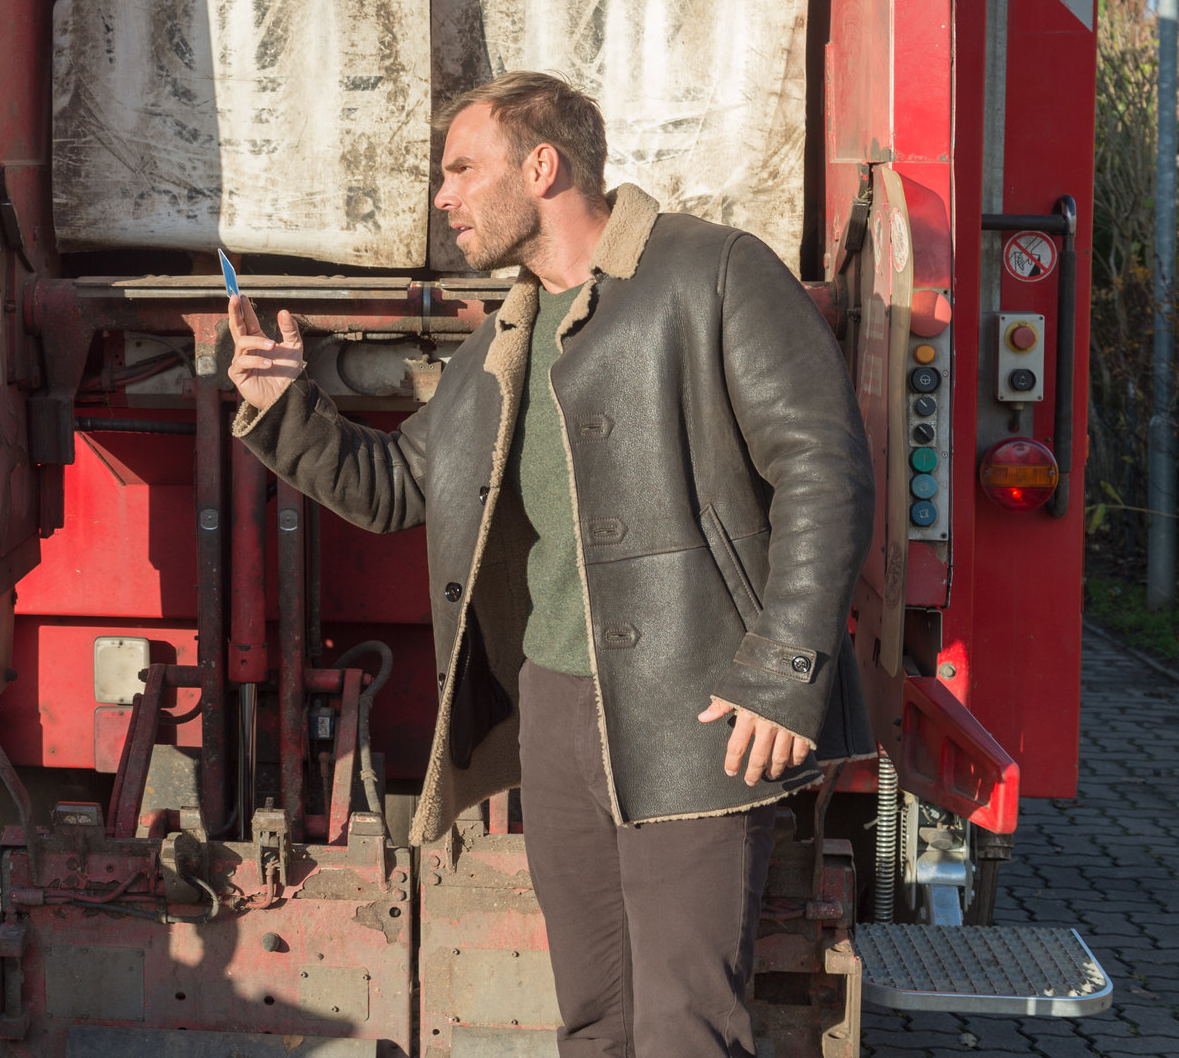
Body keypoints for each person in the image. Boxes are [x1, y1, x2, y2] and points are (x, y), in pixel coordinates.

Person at [227, 71, 874, 1057]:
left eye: (460, 169)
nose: (443, 197)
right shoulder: (508, 334)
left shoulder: (716, 272)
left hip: (697, 707)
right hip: (561, 708)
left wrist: (785, 671)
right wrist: (284, 408)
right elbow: (399, 486)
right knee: (596, 1021)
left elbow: (823, 472)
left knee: (684, 1027)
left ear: (542, 166)